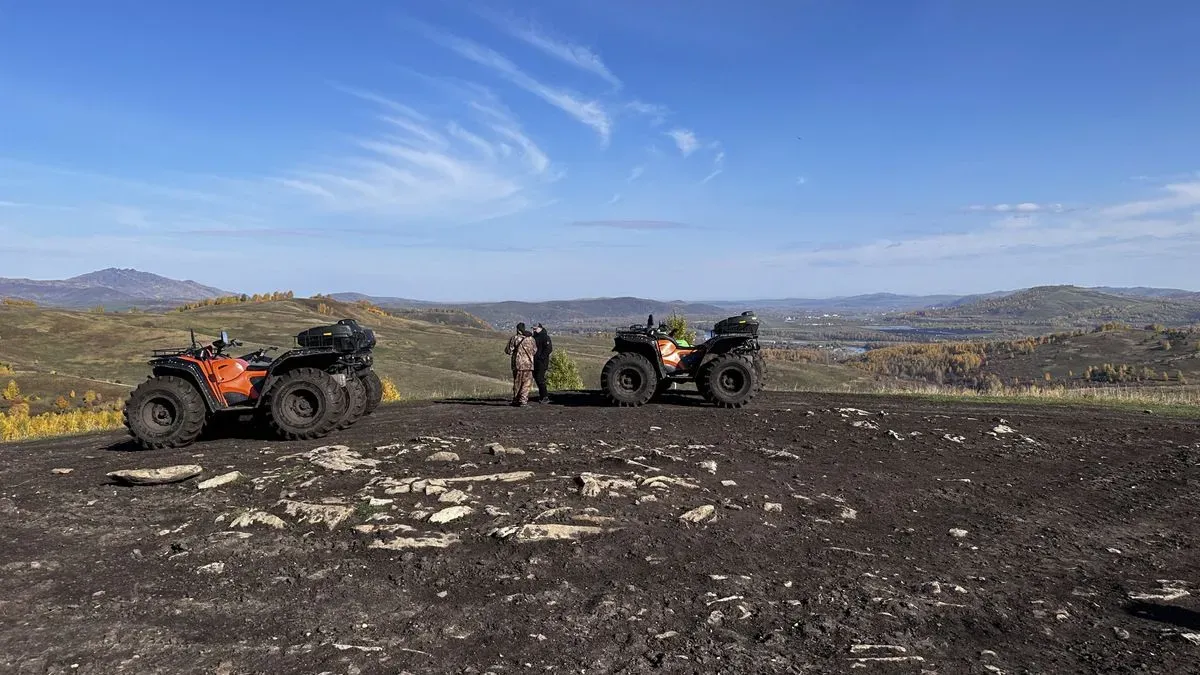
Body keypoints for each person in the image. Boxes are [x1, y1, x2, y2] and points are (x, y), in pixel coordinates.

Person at [504, 322, 538, 406]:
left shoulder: (515, 338)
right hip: (529, 364)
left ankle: (516, 400)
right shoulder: (531, 339)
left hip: (518, 364)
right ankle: (523, 400)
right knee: (527, 383)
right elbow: (535, 350)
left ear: (518, 330)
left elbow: (508, 351)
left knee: (517, 382)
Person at [531, 323, 553, 403]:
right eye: (533, 329)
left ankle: (545, 397)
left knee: (540, 378)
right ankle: (542, 395)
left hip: (542, 362)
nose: (534, 330)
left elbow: (549, 349)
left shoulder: (545, 337)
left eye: (535, 329)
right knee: (537, 378)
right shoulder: (534, 337)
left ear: (540, 328)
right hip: (535, 361)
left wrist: (541, 357)